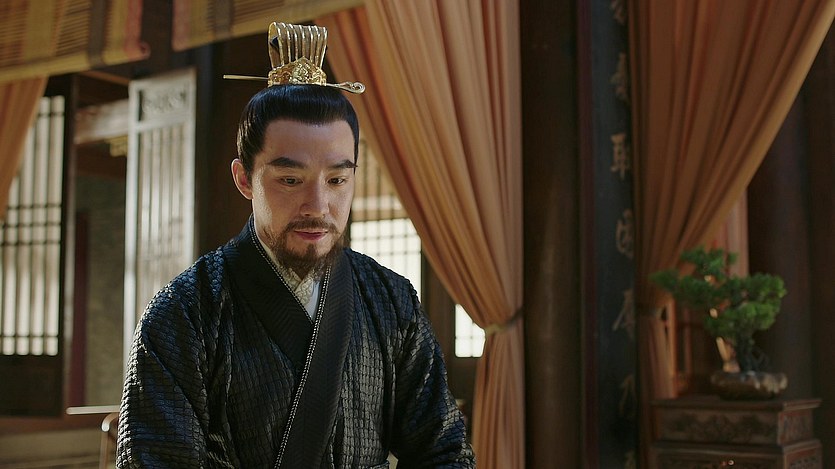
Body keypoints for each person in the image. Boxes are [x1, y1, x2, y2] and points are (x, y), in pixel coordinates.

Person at [116, 22, 475, 468]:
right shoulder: (184, 313)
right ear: (244, 179)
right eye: (290, 179)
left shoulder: (390, 300)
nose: (317, 205)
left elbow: (443, 452)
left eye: (337, 180)